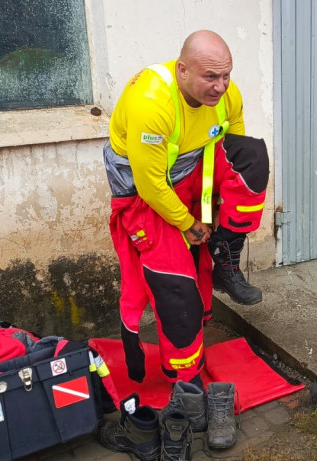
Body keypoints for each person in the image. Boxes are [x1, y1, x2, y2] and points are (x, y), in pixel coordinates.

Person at [103, 30, 269, 387]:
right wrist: (189, 224)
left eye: (226, 75)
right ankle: (185, 378)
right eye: (210, 76)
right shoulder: (151, 104)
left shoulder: (227, 94)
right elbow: (150, 185)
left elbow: (233, 150)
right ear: (182, 71)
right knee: (178, 288)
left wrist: (217, 217)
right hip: (146, 194)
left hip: (191, 173)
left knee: (252, 155)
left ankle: (226, 255)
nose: (220, 86)